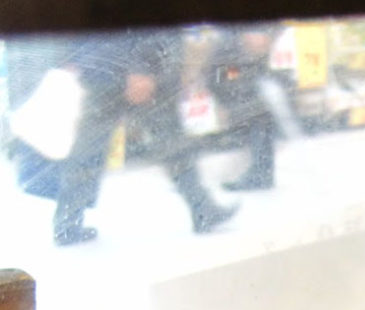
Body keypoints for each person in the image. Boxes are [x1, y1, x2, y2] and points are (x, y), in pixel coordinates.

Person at [52, 28, 237, 246]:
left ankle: (67, 224)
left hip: (102, 67)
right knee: (170, 140)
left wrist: (71, 55)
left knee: (89, 148)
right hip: (128, 69)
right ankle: (203, 209)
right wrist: (141, 68)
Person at [210, 25, 277, 192]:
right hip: (237, 81)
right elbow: (221, 74)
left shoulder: (238, 42)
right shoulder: (229, 45)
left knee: (259, 124)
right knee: (257, 124)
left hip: (246, 79)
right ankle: (261, 174)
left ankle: (261, 174)